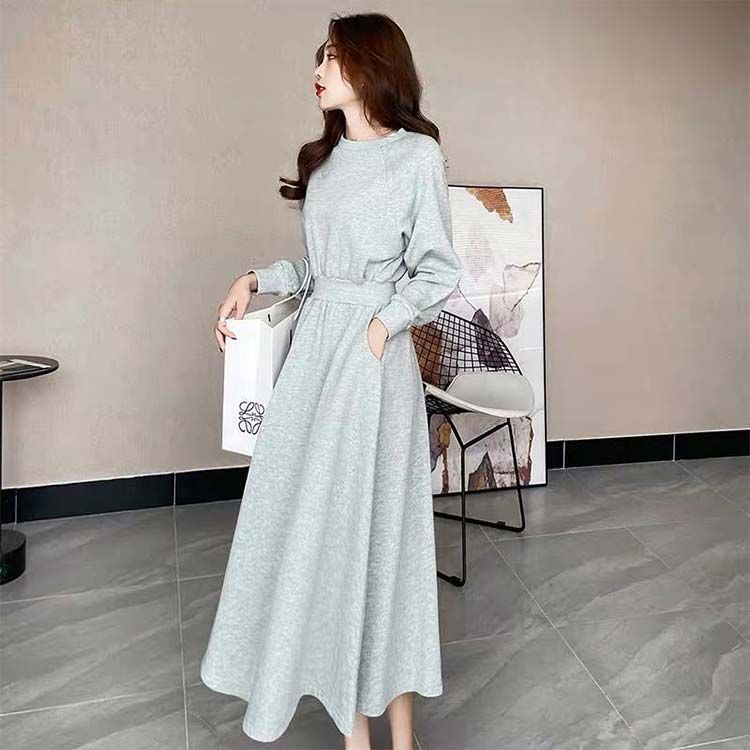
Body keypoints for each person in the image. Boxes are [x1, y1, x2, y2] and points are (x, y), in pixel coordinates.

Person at [201, 11, 463, 750]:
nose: (318, 70)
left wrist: (384, 325)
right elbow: (318, 272)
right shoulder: (322, 160)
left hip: (371, 365)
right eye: (319, 57)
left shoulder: (416, 157)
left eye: (333, 57)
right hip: (315, 361)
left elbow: (438, 269)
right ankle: (356, 733)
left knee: (380, 540)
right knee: (317, 535)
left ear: (372, 65)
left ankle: (397, 736)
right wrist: (254, 279)